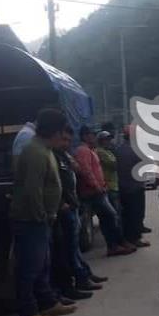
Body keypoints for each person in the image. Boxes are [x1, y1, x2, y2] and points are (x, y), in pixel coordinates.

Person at [9, 109, 77, 316]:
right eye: (61, 132)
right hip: (31, 220)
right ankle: (28, 314)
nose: (63, 137)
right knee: (29, 268)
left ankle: (48, 303)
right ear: (54, 131)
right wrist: (42, 217)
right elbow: (32, 190)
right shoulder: (35, 152)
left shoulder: (45, 149)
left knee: (42, 264)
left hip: (42, 219)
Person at [53, 125, 106, 299]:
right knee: (69, 249)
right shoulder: (52, 156)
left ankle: (84, 274)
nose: (67, 143)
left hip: (73, 204)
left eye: (69, 140)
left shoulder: (64, 155)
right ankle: (79, 280)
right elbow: (52, 184)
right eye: (64, 140)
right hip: (65, 207)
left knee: (74, 247)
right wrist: (62, 203)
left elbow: (77, 169)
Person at [74, 126, 134, 257]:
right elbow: (86, 171)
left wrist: (102, 184)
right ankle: (116, 244)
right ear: (85, 136)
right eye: (92, 135)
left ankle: (114, 246)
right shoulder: (83, 151)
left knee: (108, 218)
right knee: (112, 216)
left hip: (99, 190)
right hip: (94, 192)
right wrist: (97, 186)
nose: (94, 137)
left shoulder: (91, 150)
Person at [116, 125, 151, 247]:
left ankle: (128, 237)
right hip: (135, 187)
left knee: (127, 214)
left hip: (123, 186)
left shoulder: (119, 149)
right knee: (136, 213)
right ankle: (135, 238)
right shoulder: (136, 150)